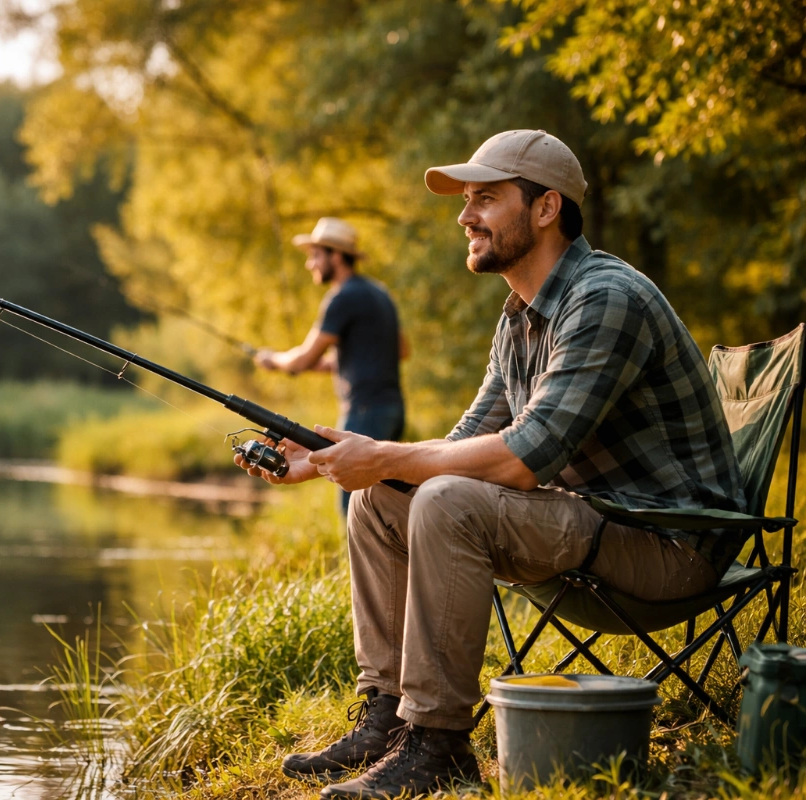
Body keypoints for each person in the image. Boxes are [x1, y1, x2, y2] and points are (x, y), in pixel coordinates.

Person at [237, 130, 744, 799]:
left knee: (444, 499)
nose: (464, 216)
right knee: (383, 499)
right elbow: (461, 443)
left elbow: (523, 458)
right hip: (595, 529)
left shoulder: (605, 298)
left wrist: (385, 454)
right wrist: (327, 460)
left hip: (668, 547)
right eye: (466, 200)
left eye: (486, 199)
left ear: (545, 209)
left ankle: (438, 743)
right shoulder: (517, 319)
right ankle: (387, 717)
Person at [253, 217, 409, 514]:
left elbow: (302, 360)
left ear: (335, 256)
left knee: (353, 509)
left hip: (364, 413)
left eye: (315, 255)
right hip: (393, 410)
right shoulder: (379, 293)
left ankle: (362, 562)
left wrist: (272, 360)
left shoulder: (342, 297)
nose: (309, 264)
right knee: (384, 505)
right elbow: (401, 350)